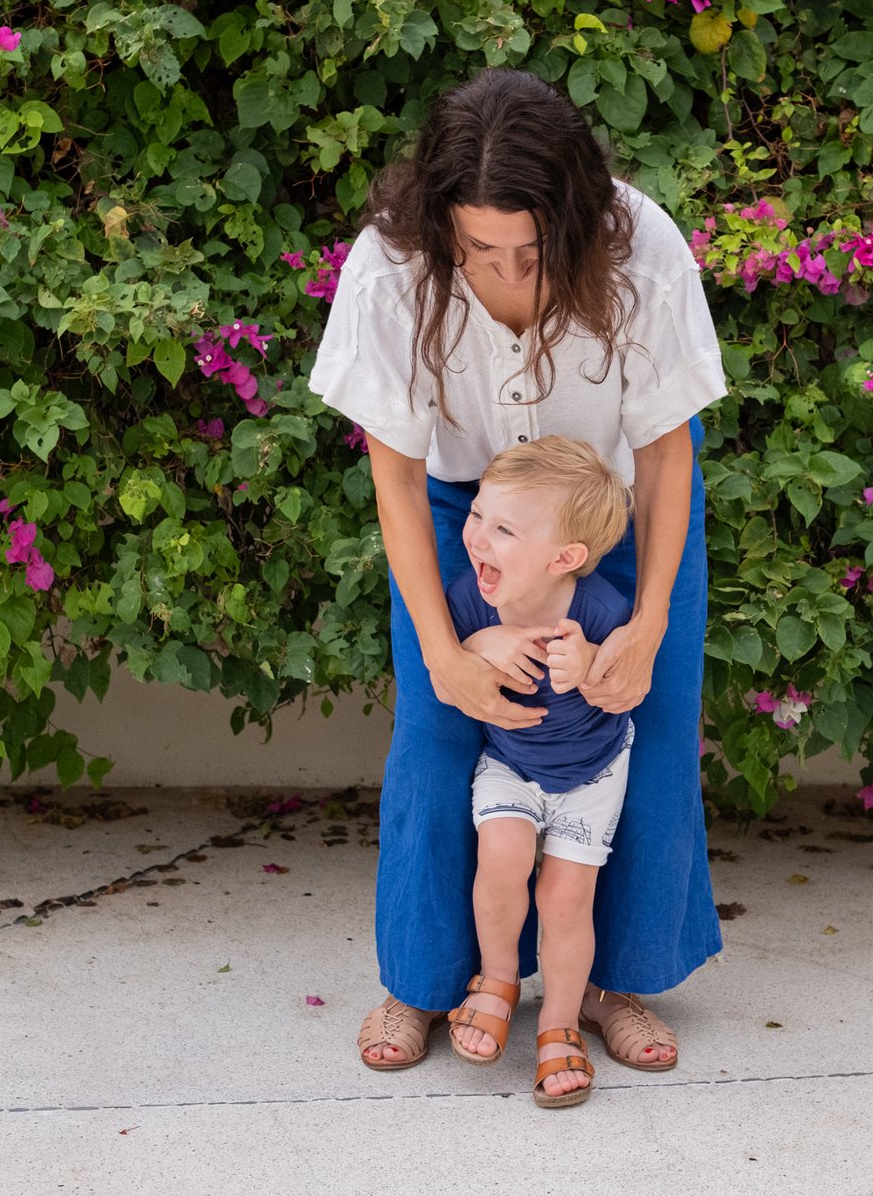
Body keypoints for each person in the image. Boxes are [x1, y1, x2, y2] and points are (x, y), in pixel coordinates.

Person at [308, 66, 727, 1081]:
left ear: (577, 217)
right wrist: (444, 650)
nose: (503, 267)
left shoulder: (644, 247)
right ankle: (422, 980)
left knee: (651, 727)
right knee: (438, 732)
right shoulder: (388, 265)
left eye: (529, 250)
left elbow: (669, 453)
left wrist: (648, 621)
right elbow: (395, 475)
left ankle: (615, 983)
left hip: (618, 518)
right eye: (479, 247)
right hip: (466, 518)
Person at [437, 437, 636, 1107]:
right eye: (478, 515)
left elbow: (628, 684)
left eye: (503, 528)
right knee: (502, 854)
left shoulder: (598, 609)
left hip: (591, 773)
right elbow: (450, 665)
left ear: (566, 558)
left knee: (564, 899)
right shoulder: (471, 599)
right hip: (512, 764)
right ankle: (497, 979)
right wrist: (479, 643)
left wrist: (586, 667)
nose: (478, 537)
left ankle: (558, 1022)